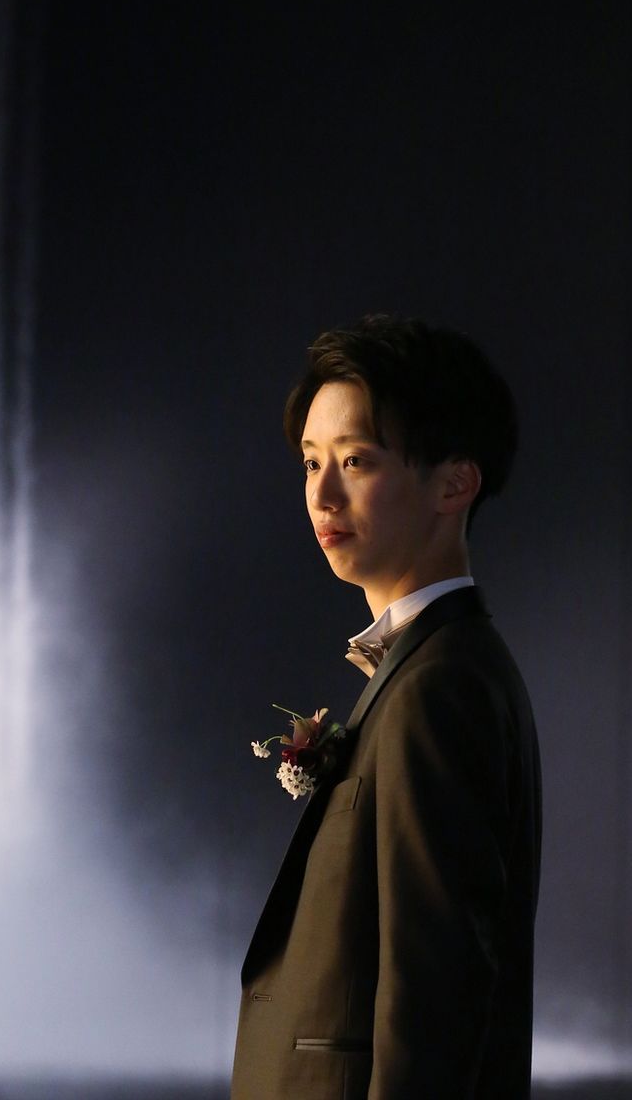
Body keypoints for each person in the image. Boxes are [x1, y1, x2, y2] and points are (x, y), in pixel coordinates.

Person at [231, 315, 542, 1099]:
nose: (321, 493)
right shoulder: (430, 668)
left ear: (454, 484)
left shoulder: (442, 687)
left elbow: (435, 1001)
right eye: (311, 462)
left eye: (356, 461)